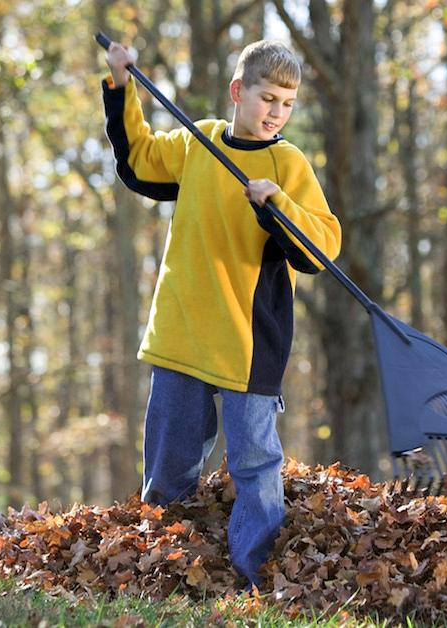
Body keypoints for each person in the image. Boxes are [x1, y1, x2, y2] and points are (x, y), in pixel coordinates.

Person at [101, 39, 341, 589]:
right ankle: (161, 572)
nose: (276, 112)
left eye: (287, 103)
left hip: (248, 343)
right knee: (170, 463)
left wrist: (278, 203)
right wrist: (121, 83)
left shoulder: (287, 162)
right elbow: (137, 160)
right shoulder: (200, 143)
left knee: (255, 466)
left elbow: (322, 247)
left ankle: (253, 577)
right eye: (266, 98)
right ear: (239, 92)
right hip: (184, 332)